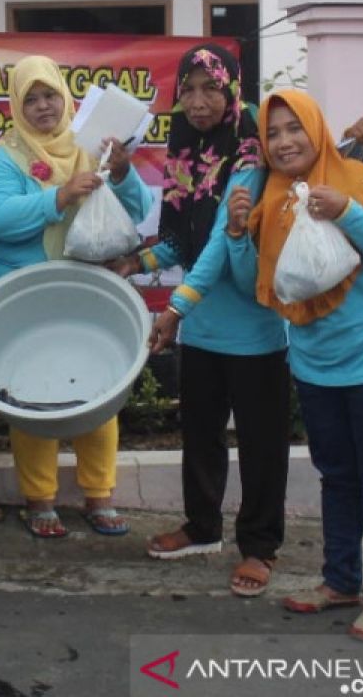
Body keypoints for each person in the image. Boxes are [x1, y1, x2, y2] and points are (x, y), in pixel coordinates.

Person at [225, 90, 363, 643]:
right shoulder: (271, 198)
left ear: (317, 129)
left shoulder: (362, 174)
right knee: (337, 479)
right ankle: (340, 582)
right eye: (274, 132)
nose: (285, 142)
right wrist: (240, 234)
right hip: (314, 362)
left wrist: (346, 209)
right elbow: (256, 284)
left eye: (295, 129)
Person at [106, 44, 289, 597]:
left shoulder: (250, 154)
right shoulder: (185, 151)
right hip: (204, 329)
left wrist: (175, 306)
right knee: (200, 434)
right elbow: (178, 240)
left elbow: (215, 246)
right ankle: (202, 525)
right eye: (188, 90)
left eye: (211, 88)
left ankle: (259, 546)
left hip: (254, 328)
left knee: (262, 443)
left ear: (232, 89)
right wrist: (137, 262)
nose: (199, 101)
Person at [0, 54, 153, 538]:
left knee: (100, 391)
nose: (42, 106)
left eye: (49, 94)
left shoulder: (91, 143)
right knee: (30, 393)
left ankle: (100, 496)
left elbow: (137, 210)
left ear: (64, 96)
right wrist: (58, 196)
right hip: (29, 291)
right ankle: (40, 500)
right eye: (30, 98)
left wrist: (121, 172)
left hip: (87, 287)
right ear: (16, 105)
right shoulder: (4, 156)